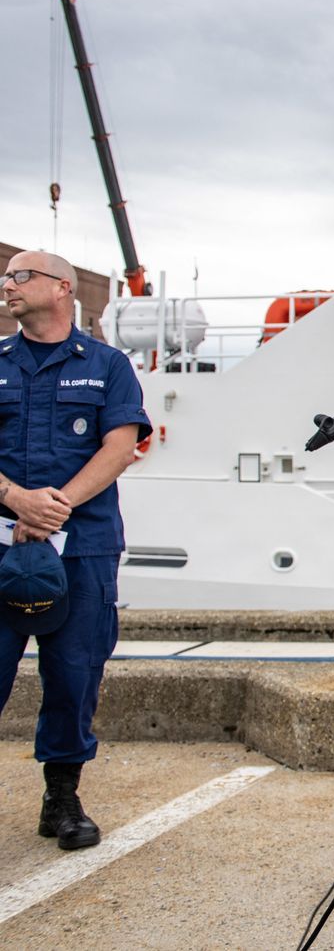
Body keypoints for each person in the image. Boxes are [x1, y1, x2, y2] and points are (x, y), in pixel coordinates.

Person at [0, 251, 150, 850]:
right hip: (3, 542)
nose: (6, 284)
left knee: (74, 673)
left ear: (62, 288)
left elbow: (120, 448)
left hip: (82, 547)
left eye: (19, 275)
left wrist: (52, 506)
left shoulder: (108, 366)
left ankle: (61, 798)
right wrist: (16, 500)